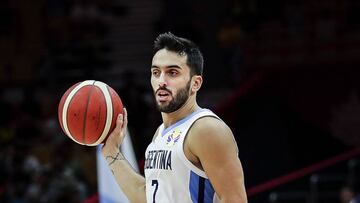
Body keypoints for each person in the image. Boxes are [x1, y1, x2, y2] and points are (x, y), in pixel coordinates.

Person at [102, 32, 248, 203]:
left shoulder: (206, 129)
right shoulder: (160, 133)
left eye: (172, 73)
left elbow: (235, 200)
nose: (161, 81)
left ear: (196, 83)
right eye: (156, 72)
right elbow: (147, 196)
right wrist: (111, 153)